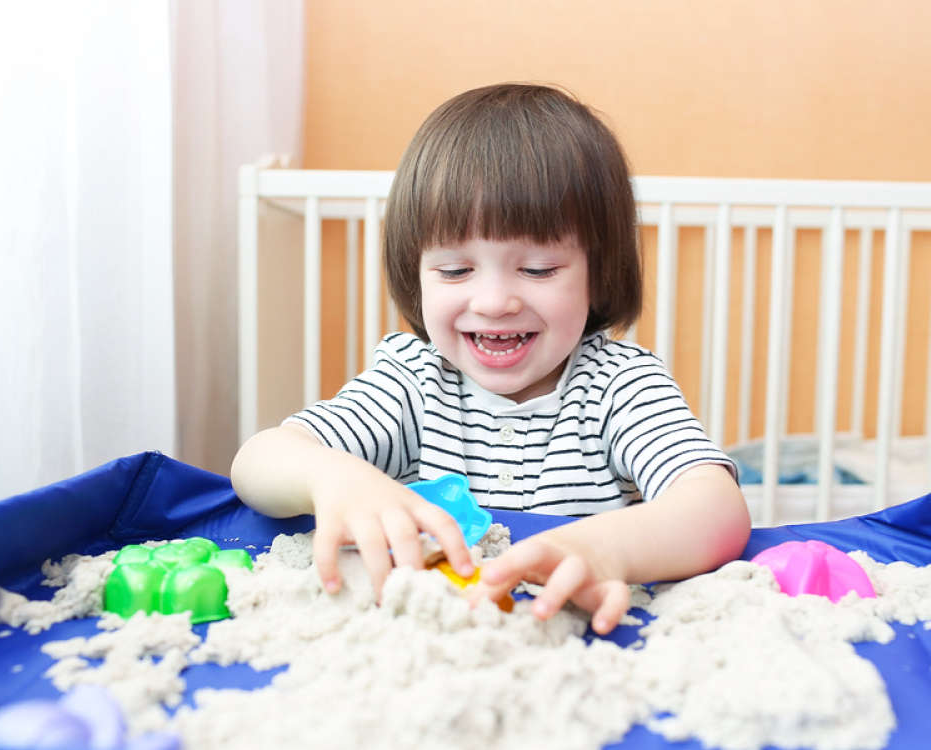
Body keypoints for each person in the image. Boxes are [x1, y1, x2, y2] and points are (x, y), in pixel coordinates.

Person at [230, 83, 750, 635]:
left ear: (599, 273)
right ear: (418, 274)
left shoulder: (619, 386)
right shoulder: (411, 381)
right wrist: (333, 477)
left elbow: (717, 507)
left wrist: (602, 550)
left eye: (539, 269)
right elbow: (256, 462)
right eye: (456, 271)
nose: (495, 301)